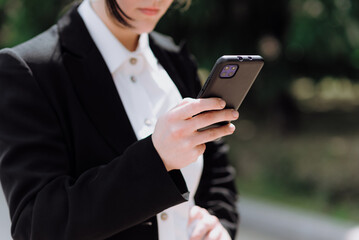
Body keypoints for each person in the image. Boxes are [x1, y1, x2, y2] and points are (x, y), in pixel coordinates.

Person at [0, 0, 239, 239]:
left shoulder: (175, 58)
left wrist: (217, 227)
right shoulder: (30, 71)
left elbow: (217, 176)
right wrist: (156, 158)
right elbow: (36, 226)